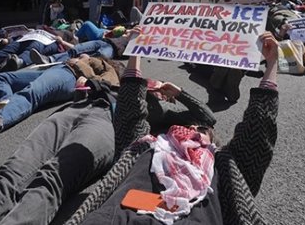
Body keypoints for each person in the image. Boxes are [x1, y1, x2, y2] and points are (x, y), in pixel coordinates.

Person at [0, 45, 214, 225]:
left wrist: (177, 92)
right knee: (9, 173)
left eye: (155, 87)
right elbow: (122, 73)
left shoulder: (161, 115)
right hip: (74, 111)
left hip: (108, 128)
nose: (150, 85)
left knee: (50, 179)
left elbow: (206, 119)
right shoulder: (116, 82)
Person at [63, 33, 279, 225]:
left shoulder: (221, 164)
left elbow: (255, 135)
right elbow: (130, 112)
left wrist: (272, 64)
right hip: (117, 216)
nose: (193, 128)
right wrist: (136, 51)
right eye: (191, 127)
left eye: (201, 130)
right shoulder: (149, 144)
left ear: (212, 142)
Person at [0, 55, 124, 139]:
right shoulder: (95, 60)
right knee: (0, 78)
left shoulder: (109, 67)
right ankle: (7, 102)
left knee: (33, 92)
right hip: (58, 69)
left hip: (69, 76)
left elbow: (106, 82)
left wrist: (80, 63)